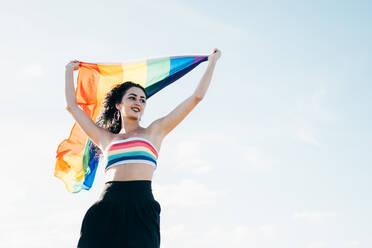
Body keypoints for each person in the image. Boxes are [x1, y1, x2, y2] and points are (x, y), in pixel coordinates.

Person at [65, 48, 221, 248]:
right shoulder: (106, 138)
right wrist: (69, 71)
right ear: (119, 104)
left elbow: (196, 97)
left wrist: (212, 62)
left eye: (143, 99)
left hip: (142, 207)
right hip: (107, 206)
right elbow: (72, 106)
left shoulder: (155, 132)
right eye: (132, 97)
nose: (138, 102)